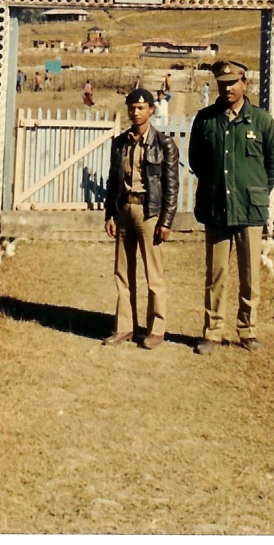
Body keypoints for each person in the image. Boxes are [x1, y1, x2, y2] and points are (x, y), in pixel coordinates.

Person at [189, 60, 274, 355]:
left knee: (250, 275)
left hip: (249, 210)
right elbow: (197, 161)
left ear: (246, 83)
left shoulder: (261, 120)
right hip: (217, 207)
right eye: (222, 83)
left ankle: (248, 330)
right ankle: (212, 331)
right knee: (216, 274)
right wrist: (217, 185)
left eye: (233, 82)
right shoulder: (206, 119)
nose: (227, 88)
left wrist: (256, 190)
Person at [102, 88, 180, 350]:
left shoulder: (164, 144)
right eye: (132, 108)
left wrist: (166, 220)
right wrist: (110, 213)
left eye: (141, 108)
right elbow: (113, 181)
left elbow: (171, 185)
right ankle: (124, 327)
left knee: (153, 274)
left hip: (150, 213)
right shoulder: (120, 142)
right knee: (122, 273)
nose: (136, 112)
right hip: (124, 210)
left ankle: (156, 328)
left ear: (151, 110)